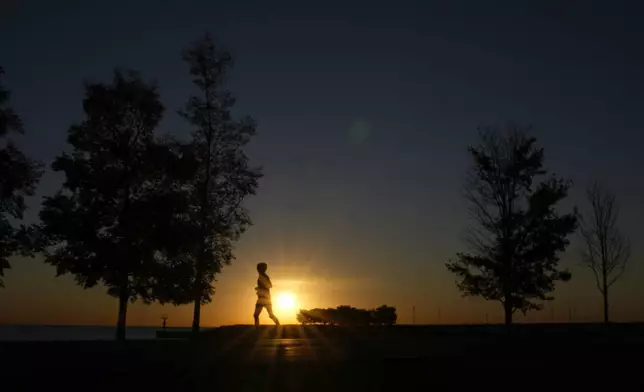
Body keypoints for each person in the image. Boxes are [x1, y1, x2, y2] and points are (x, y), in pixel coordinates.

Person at [254, 262, 280, 328]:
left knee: (259, 315)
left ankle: (279, 326)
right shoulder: (261, 276)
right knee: (258, 315)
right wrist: (259, 289)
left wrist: (260, 288)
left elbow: (269, 286)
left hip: (264, 298)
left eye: (259, 268)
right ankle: (279, 326)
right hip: (263, 298)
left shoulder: (264, 276)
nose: (257, 269)